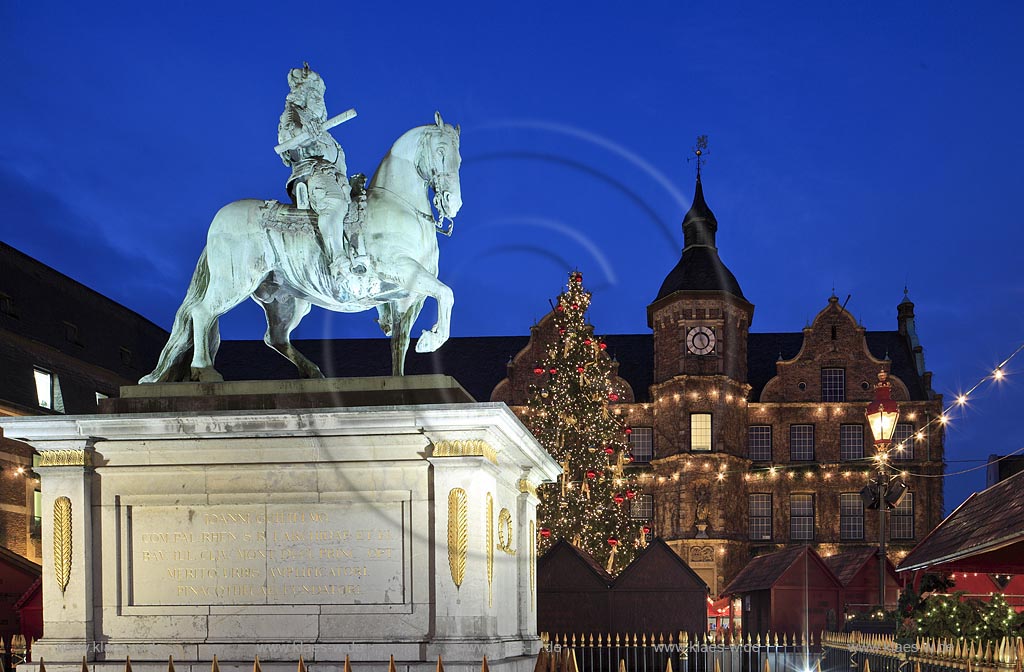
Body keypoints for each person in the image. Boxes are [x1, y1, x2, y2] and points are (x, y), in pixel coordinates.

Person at [277, 64, 367, 274]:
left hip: (336, 177)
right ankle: (338, 262)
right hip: (312, 173)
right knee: (333, 203)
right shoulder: (293, 115)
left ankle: (357, 256)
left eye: (321, 98)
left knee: (360, 210)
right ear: (304, 95)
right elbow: (286, 140)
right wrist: (303, 131)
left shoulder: (326, 134)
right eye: (316, 96)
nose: (321, 102)